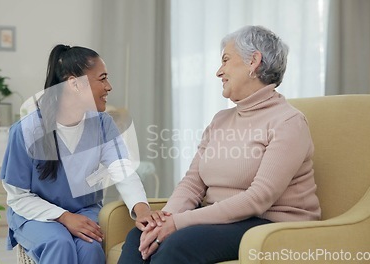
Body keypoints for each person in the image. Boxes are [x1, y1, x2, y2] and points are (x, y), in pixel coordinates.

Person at [118, 25, 321, 264]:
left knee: (178, 245)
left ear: (253, 61)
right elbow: (193, 183)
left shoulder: (288, 122)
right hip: (224, 221)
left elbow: (258, 198)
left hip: (272, 224)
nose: (218, 71)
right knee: (139, 236)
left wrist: (179, 223)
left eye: (225, 60)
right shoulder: (220, 120)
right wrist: (164, 219)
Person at [0, 44, 166, 264]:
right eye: (102, 78)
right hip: (36, 215)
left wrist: (142, 209)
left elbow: (122, 170)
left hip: (84, 210)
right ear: (74, 83)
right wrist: (65, 217)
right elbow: (17, 196)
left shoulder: (103, 124)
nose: (109, 87)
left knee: (90, 250)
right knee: (59, 244)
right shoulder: (27, 130)